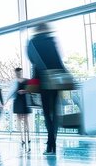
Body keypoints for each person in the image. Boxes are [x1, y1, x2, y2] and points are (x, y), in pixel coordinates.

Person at [27, 23, 67, 155]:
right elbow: (58, 60)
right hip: (56, 80)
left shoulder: (32, 42)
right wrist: (66, 74)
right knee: (55, 113)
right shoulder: (51, 40)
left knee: (46, 113)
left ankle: (50, 145)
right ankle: (52, 142)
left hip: (43, 80)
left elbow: (33, 61)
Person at [11, 67, 32, 152]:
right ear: (15, 73)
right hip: (18, 101)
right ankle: (22, 138)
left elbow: (31, 89)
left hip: (25, 101)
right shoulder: (14, 82)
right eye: (17, 73)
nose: (18, 74)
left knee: (26, 120)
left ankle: (28, 136)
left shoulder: (26, 80)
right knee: (19, 119)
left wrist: (25, 91)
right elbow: (11, 92)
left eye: (20, 72)